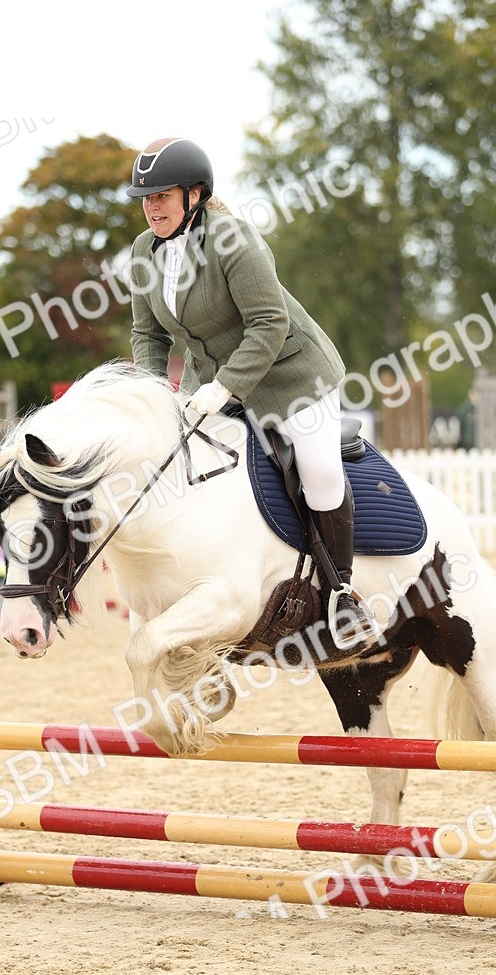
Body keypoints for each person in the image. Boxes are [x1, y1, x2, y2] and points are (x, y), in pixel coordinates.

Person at [126, 136, 379, 650]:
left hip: (292, 377)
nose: (152, 207)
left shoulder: (233, 239)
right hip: (210, 382)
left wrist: (224, 387)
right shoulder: (142, 251)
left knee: (319, 471)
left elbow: (268, 323)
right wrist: (154, 397)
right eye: (146, 198)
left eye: (162, 196)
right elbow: (147, 335)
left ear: (195, 194)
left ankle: (343, 595)